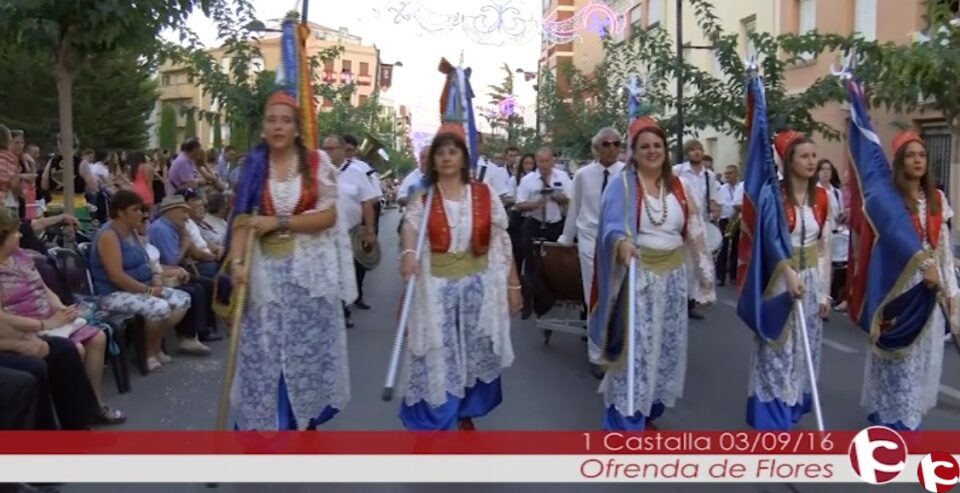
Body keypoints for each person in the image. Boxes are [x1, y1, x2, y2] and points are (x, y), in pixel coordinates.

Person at [226, 90, 355, 430]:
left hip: (308, 274)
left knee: (303, 351)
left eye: (286, 120)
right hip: (265, 272)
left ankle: (301, 418)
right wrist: (238, 266)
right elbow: (241, 221)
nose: (278, 126)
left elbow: (327, 216)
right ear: (263, 127)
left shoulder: (315, 163)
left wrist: (280, 222)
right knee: (263, 353)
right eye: (272, 120)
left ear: (297, 128)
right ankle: (269, 424)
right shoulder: (254, 166)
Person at [588, 117, 715, 431]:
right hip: (638, 276)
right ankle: (624, 420)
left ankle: (647, 411)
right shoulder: (623, 185)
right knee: (636, 351)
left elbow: (695, 229)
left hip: (672, 278)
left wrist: (704, 274)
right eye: (644, 146)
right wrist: (620, 243)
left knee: (665, 348)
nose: (652, 151)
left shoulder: (680, 186)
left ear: (666, 150)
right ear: (633, 151)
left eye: (657, 145)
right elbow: (612, 227)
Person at [398, 123, 522, 431]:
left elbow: (500, 241)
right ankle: (438, 416)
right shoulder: (423, 195)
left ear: (464, 158)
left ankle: (465, 411)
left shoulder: (483, 194)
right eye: (440, 153)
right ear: (432, 160)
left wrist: (513, 285)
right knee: (438, 353)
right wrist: (409, 254)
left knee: (472, 351)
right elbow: (410, 227)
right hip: (436, 290)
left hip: (476, 289)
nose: (446, 158)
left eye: (452, 152)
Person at [860, 131, 956, 431]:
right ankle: (891, 417)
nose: (918, 160)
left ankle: (908, 417)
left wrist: (951, 289)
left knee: (921, 357)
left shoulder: (937, 199)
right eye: (911, 155)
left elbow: (943, 248)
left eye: (922, 155)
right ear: (900, 162)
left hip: (931, 284)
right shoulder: (890, 200)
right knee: (897, 355)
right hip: (899, 284)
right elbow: (888, 243)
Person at [0, 208, 125, 423]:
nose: (20, 235)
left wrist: (60, 309)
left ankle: (89, 410)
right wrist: (43, 325)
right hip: (24, 324)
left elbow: (43, 288)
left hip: (43, 319)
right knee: (68, 351)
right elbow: (4, 319)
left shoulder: (20, 256)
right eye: (14, 232)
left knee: (95, 337)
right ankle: (65, 424)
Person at [746, 130, 832, 431]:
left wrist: (823, 293)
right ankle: (771, 420)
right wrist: (787, 273)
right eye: (804, 156)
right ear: (788, 160)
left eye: (813, 155)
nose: (811, 161)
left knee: (802, 349)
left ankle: (791, 407)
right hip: (781, 279)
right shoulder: (774, 195)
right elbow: (770, 238)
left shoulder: (821, 196)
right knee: (777, 350)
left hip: (809, 279)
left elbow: (823, 247)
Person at [89, 190, 191, 372]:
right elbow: (116, 276)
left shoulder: (133, 233)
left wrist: (156, 279)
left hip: (141, 288)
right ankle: (148, 353)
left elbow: (147, 263)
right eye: (136, 209)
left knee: (182, 299)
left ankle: (153, 344)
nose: (141, 214)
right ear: (121, 212)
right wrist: (148, 291)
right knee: (159, 307)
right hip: (112, 294)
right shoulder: (109, 235)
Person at [558, 127, 626, 374]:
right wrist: (567, 238)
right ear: (596, 148)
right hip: (590, 239)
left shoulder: (628, 174)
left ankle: (617, 346)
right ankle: (597, 355)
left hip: (619, 241)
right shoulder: (584, 175)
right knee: (596, 296)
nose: (611, 148)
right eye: (606, 144)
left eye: (616, 144)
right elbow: (575, 207)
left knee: (618, 294)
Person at [673, 139, 720, 320]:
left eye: (699, 149)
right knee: (681, 263)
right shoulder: (677, 171)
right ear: (687, 153)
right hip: (681, 223)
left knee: (695, 264)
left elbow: (713, 199)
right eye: (692, 150)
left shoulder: (709, 176)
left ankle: (690, 302)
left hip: (700, 224)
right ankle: (678, 298)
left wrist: (715, 210)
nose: (697, 152)